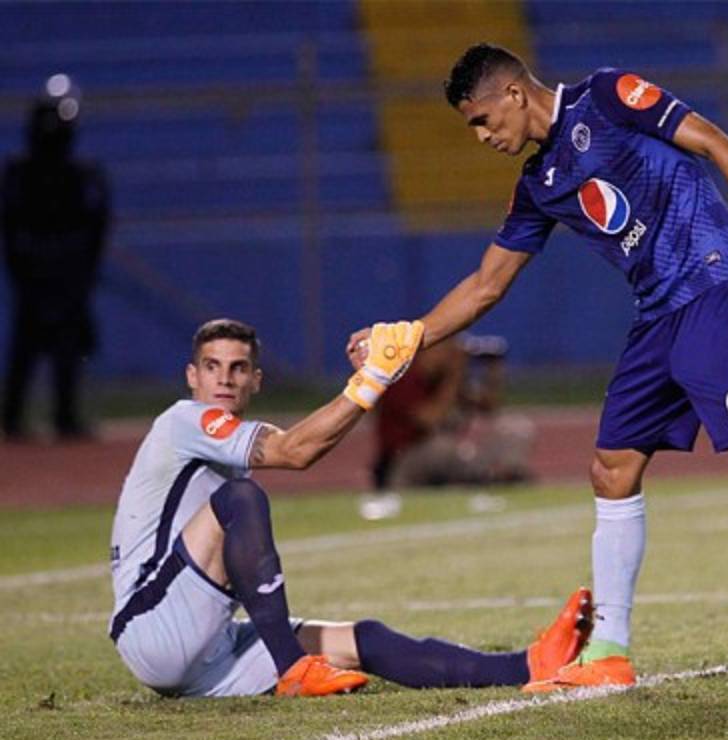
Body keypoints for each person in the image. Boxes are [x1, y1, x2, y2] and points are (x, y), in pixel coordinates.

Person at [348, 44, 728, 691]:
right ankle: (609, 651)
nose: (482, 136)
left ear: (514, 95)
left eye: (481, 120)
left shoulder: (608, 97)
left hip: (714, 282)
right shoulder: (537, 185)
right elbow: (485, 285)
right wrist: (407, 337)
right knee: (611, 470)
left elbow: (712, 141)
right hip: (658, 315)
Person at [110, 318, 591, 698]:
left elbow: (302, 444)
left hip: (202, 647)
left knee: (365, 640)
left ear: (255, 380)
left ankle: (528, 664)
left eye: (237, 368)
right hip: (154, 623)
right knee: (240, 501)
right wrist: (373, 378)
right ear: (191, 376)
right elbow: (295, 452)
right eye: (212, 366)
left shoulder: (223, 440)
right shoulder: (185, 420)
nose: (224, 379)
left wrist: (367, 381)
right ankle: (293, 668)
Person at [3, 75, 109, 440]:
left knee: (63, 344)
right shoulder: (27, 173)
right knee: (29, 343)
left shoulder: (77, 175)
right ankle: (16, 418)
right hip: (40, 262)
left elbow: (96, 220)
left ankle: (61, 415)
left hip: (63, 265)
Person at [363, 333, 533, 520]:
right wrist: (454, 375)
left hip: (447, 458)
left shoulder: (445, 379)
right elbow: (428, 420)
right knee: (442, 448)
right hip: (402, 464)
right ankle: (491, 478)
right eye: (446, 349)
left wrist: (494, 371)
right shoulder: (402, 378)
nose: (450, 355)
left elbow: (489, 407)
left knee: (515, 427)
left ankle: (508, 476)